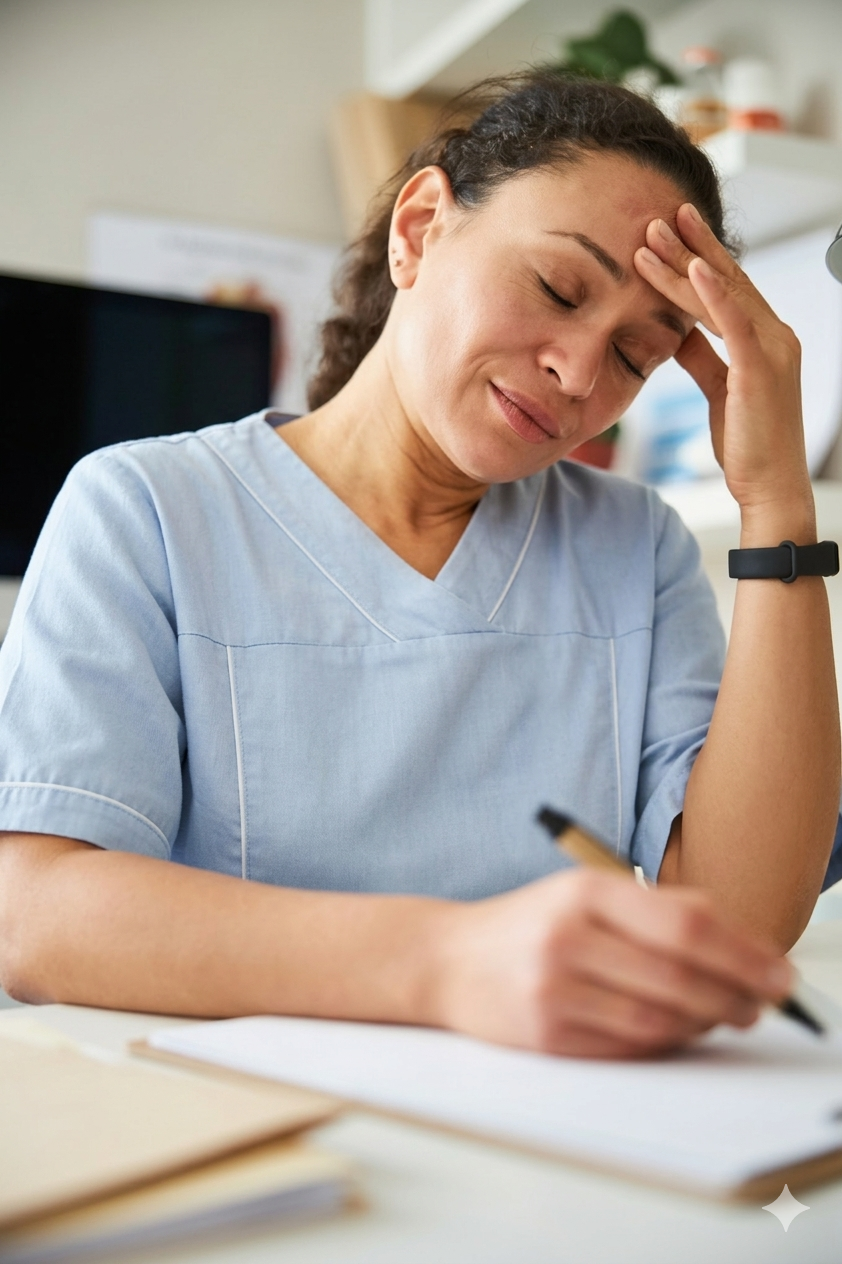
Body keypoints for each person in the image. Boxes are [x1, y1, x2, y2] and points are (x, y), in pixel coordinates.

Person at [0, 74, 839, 1060]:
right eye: (557, 288)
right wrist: (448, 960)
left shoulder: (635, 546)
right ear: (420, 226)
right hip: (238, 1125)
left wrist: (776, 499)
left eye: (630, 356)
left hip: (548, 1137)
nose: (576, 370)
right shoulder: (146, 508)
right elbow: (35, 911)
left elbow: (737, 924)